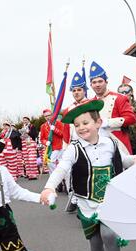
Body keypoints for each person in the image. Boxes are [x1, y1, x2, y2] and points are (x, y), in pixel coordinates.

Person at [41, 99, 136, 251]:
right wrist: (49, 187)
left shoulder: (112, 142)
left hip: (110, 201)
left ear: (97, 123)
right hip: (87, 203)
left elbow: (124, 160)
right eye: (77, 125)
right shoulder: (74, 148)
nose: (81, 128)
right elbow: (61, 169)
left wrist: (135, 159)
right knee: (95, 241)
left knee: (109, 235)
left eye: (85, 123)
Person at [89, 61, 136, 154]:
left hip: (119, 144)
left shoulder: (120, 98)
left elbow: (131, 118)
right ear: (91, 85)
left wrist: (108, 122)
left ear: (106, 82)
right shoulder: (89, 103)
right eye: (94, 82)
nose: (97, 85)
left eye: (100, 81)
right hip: (98, 145)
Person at [62, 72, 89, 213]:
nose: (76, 92)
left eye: (79, 89)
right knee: (69, 172)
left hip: (88, 143)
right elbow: (66, 131)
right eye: (74, 90)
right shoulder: (68, 110)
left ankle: (86, 200)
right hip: (74, 144)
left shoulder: (91, 105)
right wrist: (65, 147)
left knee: (86, 172)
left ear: (84, 90)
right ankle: (74, 198)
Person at [117, 84, 136, 155]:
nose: (124, 94)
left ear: (131, 92)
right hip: (126, 141)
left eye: (126, 91)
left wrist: (135, 110)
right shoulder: (117, 106)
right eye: (121, 92)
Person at [39, 109, 64, 175]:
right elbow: (42, 138)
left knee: (54, 162)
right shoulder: (43, 126)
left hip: (58, 146)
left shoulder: (58, 123)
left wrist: (55, 129)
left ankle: (58, 176)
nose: (47, 117)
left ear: (52, 115)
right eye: (45, 116)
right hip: (49, 148)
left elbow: (63, 135)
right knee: (50, 162)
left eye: (49, 115)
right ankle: (55, 176)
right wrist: (45, 142)